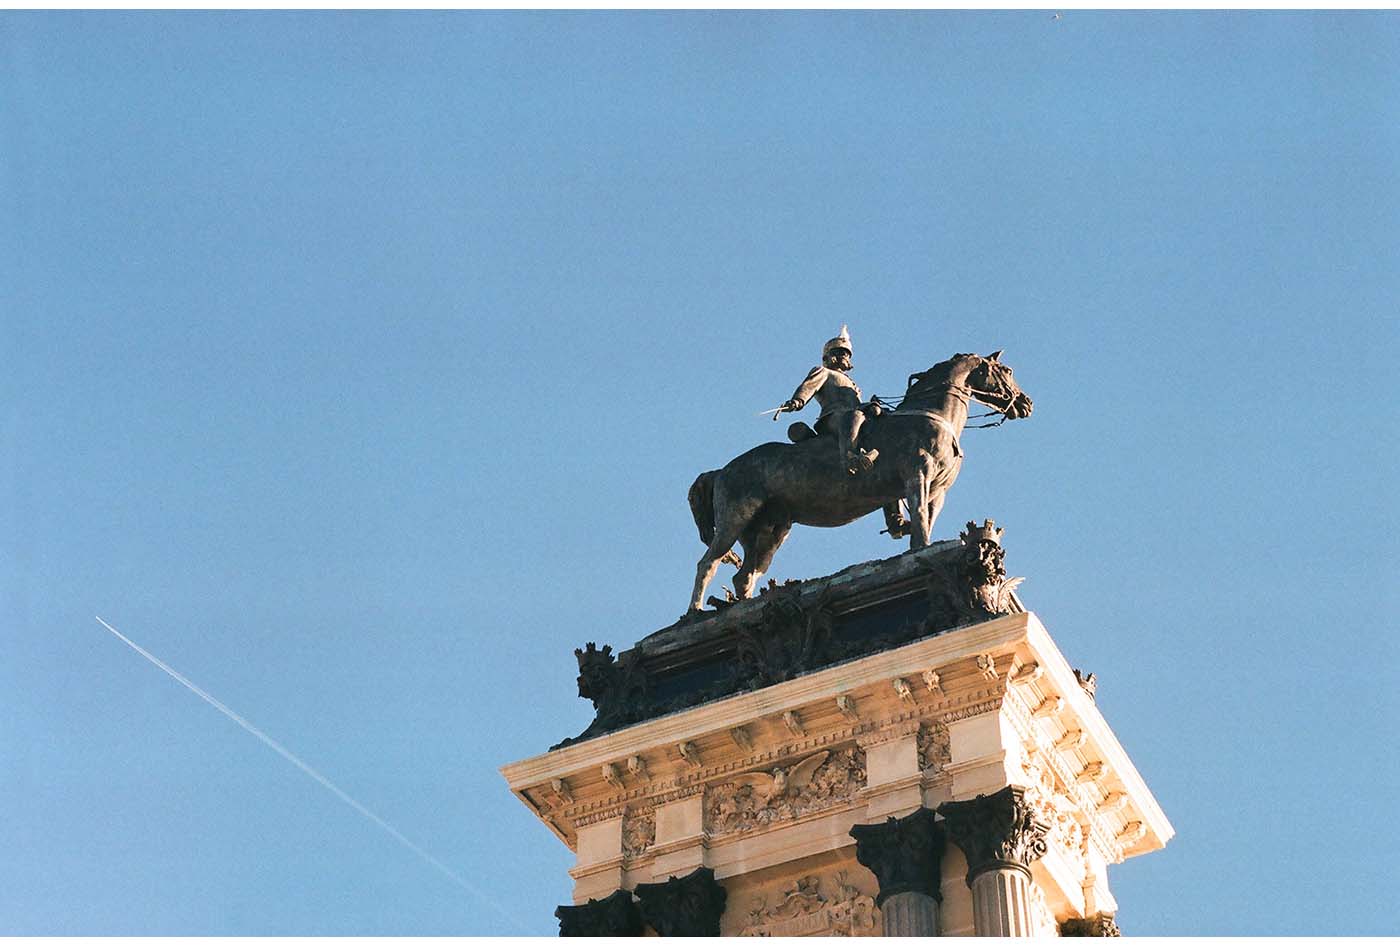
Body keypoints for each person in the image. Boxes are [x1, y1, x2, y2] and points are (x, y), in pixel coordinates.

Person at [776, 326, 879, 475]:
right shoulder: (824, 372)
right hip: (833, 417)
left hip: (854, 416)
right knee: (854, 416)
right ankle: (849, 458)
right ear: (829, 356)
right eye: (840, 352)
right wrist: (797, 401)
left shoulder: (853, 384)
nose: (845, 356)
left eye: (847, 354)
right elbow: (808, 386)